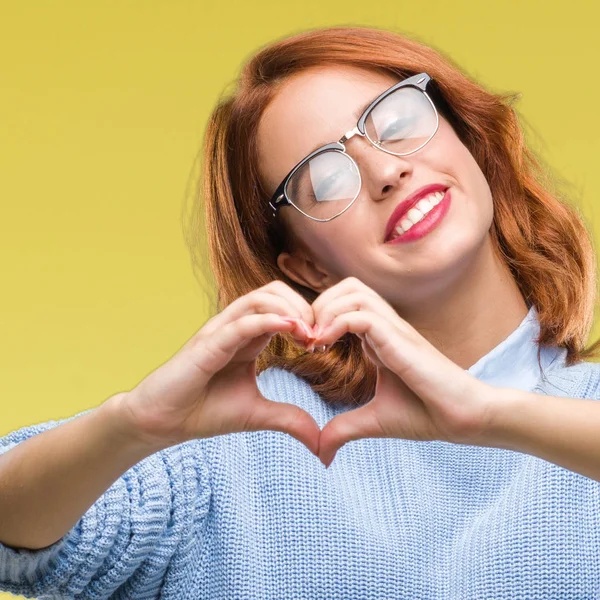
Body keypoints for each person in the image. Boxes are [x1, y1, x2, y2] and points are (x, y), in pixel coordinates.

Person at [1, 24, 600, 599]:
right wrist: (132, 423)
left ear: (467, 137)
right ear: (308, 268)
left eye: (397, 121)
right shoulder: (237, 439)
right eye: (324, 181)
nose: (386, 172)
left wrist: (488, 413)